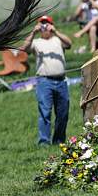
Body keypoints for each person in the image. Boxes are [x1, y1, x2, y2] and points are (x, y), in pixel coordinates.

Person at [21, 15, 72, 145]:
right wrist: (33, 32)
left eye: (47, 24)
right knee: (45, 112)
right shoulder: (36, 42)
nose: (45, 27)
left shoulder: (57, 39)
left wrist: (55, 31)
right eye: (42, 24)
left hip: (61, 81)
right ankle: (44, 142)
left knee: (63, 113)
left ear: (51, 25)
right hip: (44, 82)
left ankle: (59, 141)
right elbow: (24, 48)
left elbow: (69, 43)